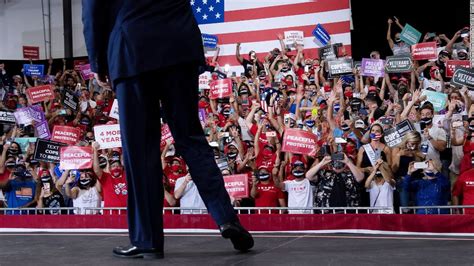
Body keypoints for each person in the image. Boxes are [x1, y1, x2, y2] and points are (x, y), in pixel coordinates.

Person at [82, 0, 253, 259]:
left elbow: (94, 10)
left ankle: (147, 240)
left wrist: (98, 61)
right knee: (192, 140)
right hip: (179, 45)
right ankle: (227, 219)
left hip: (132, 51)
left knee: (140, 152)